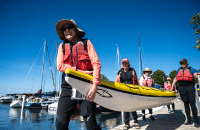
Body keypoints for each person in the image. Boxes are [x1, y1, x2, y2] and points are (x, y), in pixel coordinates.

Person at [55, 19, 101, 130]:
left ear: (76, 29)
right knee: (60, 122)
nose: (67, 30)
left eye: (70, 27)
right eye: (64, 29)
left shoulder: (87, 43)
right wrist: (77, 70)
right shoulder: (62, 46)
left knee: (90, 123)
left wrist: (94, 87)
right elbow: (60, 66)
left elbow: (96, 64)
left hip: (86, 86)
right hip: (67, 87)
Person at [171, 58, 200, 128]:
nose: (182, 64)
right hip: (181, 87)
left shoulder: (191, 69)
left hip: (190, 87)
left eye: (183, 63)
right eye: (181, 63)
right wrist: (172, 87)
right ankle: (189, 120)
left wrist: (196, 73)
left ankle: (196, 121)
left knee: (192, 104)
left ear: (187, 63)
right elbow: (175, 79)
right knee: (186, 104)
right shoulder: (178, 70)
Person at [115, 58, 140, 129]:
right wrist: (118, 78)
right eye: (123, 63)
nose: (124, 64)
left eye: (126, 63)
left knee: (132, 107)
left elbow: (136, 80)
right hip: (123, 92)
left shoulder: (132, 70)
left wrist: (134, 75)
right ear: (122, 64)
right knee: (125, 108)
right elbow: (116, 81)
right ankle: (127, 123)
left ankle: (136, 121)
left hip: (131, 91)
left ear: (128, 64)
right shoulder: (120, 71)